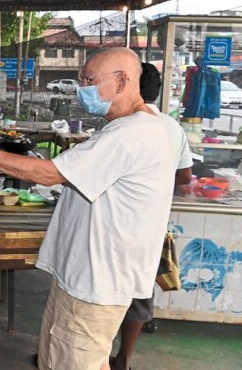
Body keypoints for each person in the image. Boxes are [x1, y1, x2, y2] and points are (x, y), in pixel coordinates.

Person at [0, 48, 177, 370]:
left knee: (70, 361)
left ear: (122, 81)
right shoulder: (136, 127)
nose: (82, 88)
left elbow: (51, 173)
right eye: (81, 80)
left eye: (90, 80)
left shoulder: (131, 133)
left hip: (94, 283)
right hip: (93, 279)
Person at [110, 62, 193, 370]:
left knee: (109, 291)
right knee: (139, 293)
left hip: (118, 226)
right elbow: (184, 176)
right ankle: (124, 360)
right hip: (152, 226)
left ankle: (100, 356)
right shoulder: (172, 127)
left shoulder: (122, 124)